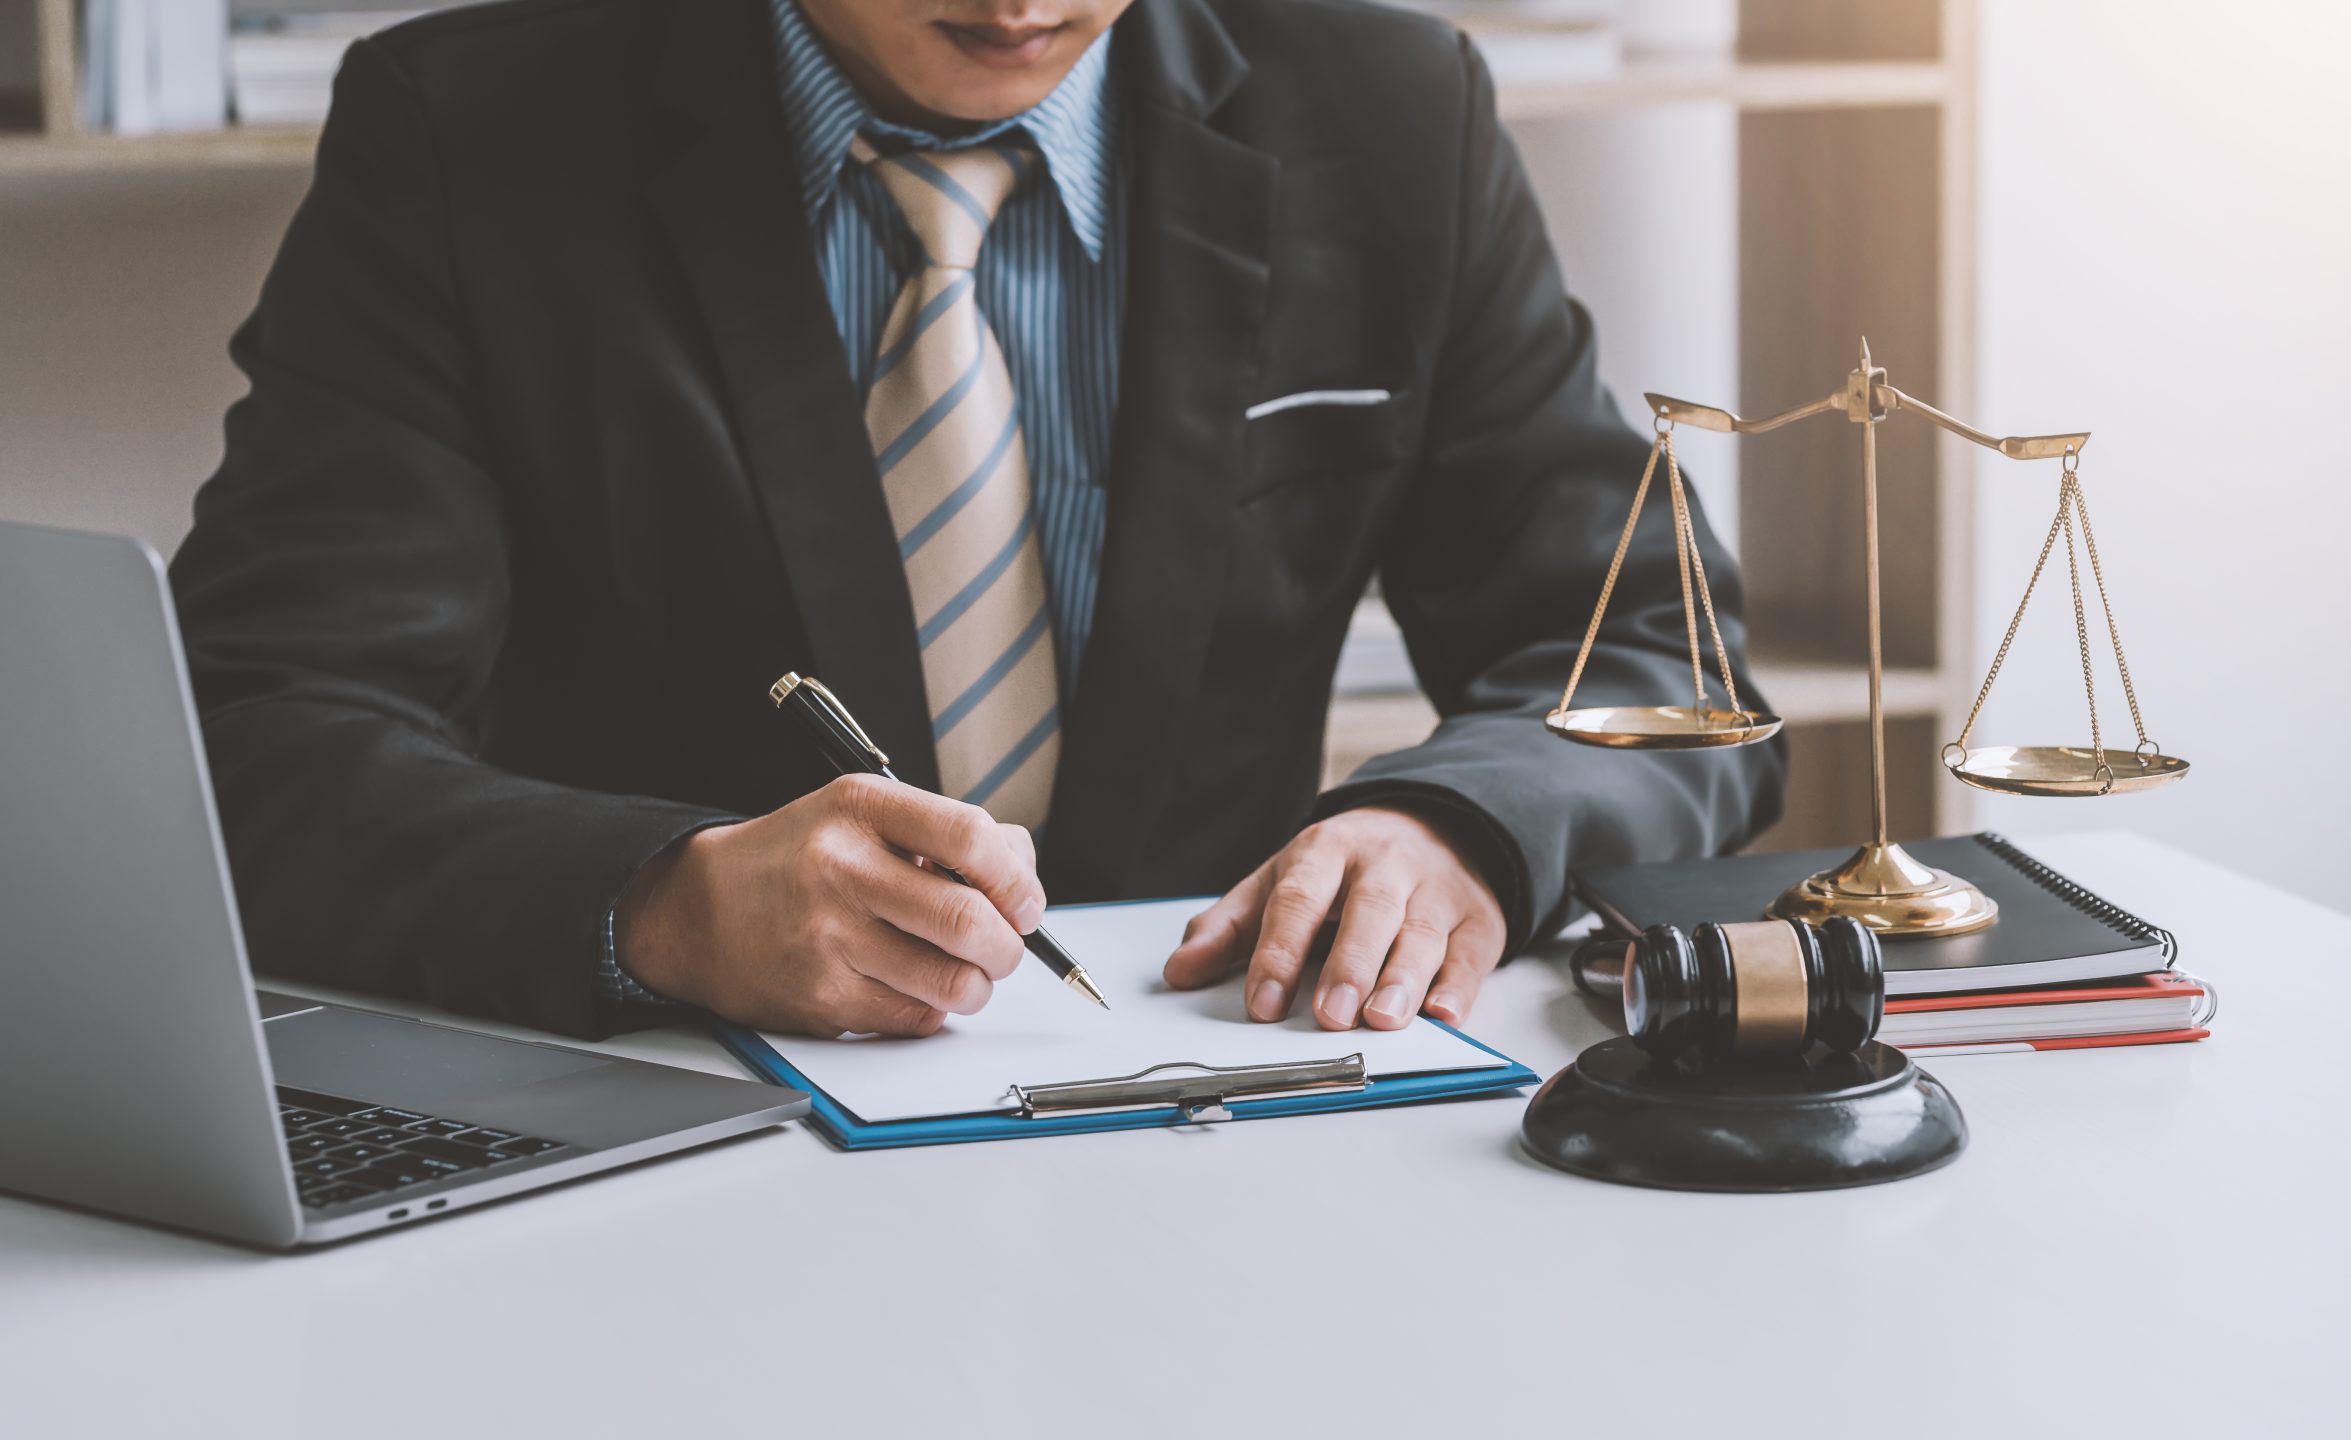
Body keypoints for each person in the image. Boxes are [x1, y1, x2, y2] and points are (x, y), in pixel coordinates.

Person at [170, 0, 1783, 1043]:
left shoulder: (1387, 111)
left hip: (1233, 1126)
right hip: (688, 1155)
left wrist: (1463, 830)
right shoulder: (471, 132)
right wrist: (662, 905)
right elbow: (255, 733)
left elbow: (1656, 657)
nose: (1023, 2)